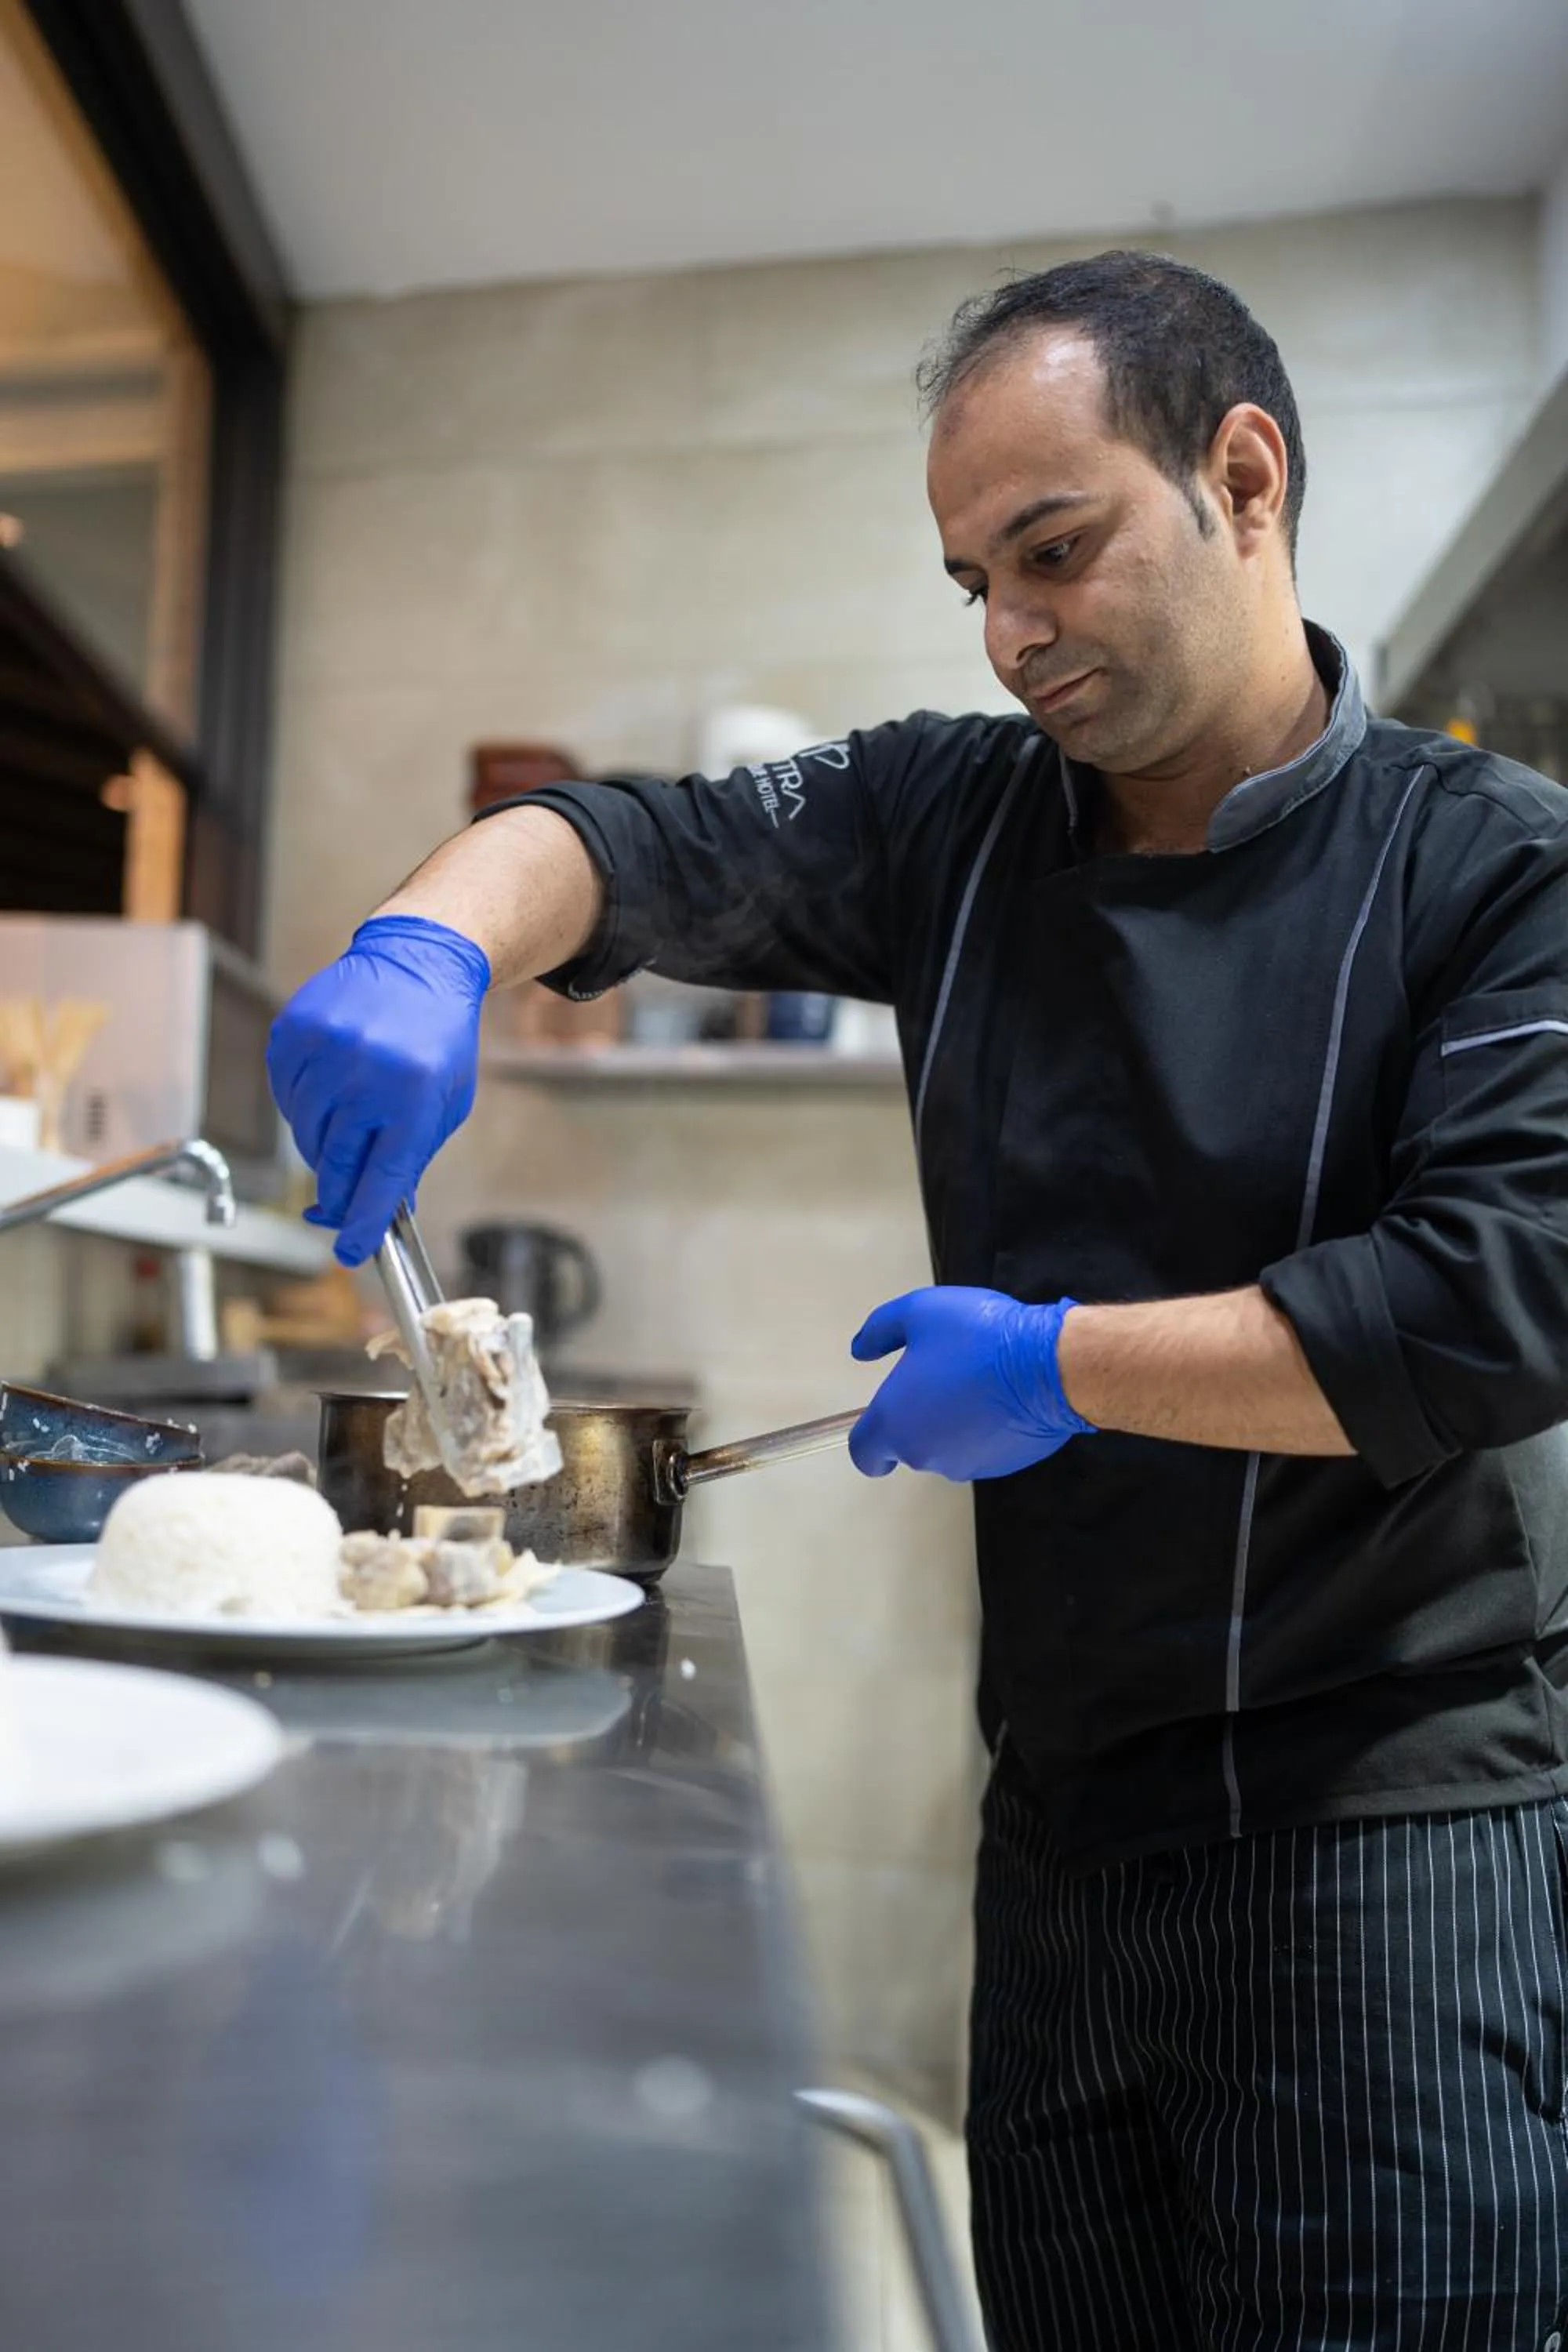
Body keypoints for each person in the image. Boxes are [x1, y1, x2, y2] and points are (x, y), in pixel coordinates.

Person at [269, 251, 1568, 2348]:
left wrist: (1064, 1366)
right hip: (1059, 1825)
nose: (1009, 631)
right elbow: (621, 842)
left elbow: (1497, 1306)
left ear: (1243, 477)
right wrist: (428, 945)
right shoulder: (956, 817)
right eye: (973, 575)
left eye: (1055, 551)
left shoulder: (1491, 866)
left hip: (1377, 1841)